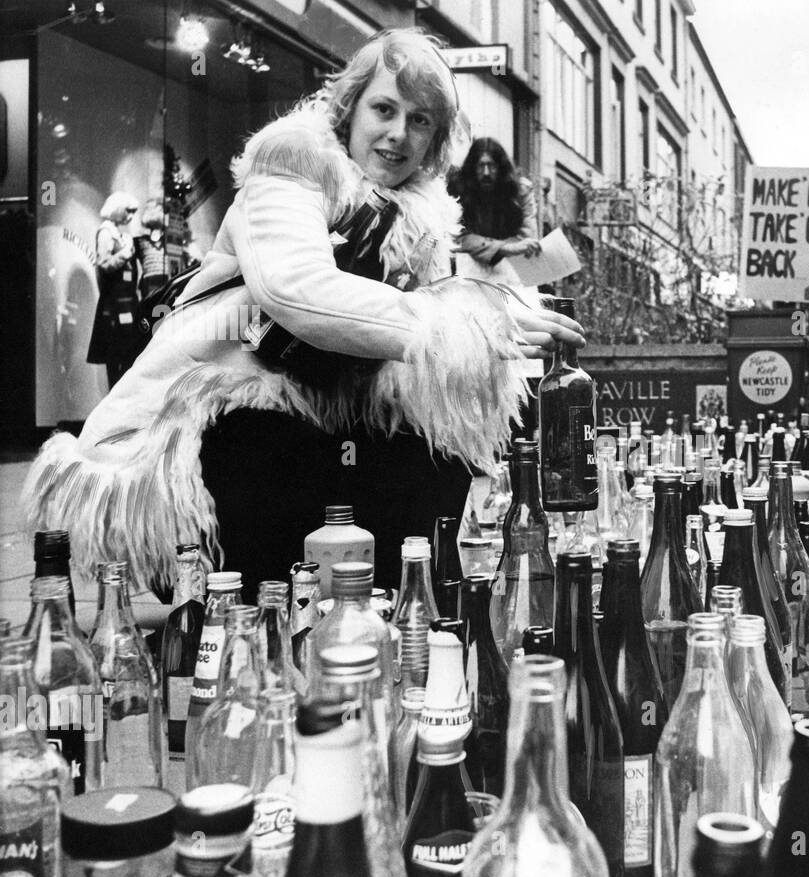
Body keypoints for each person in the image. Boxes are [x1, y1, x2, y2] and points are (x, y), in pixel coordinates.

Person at [25, 29, 582, 599]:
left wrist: (494, 325)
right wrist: (462, 327)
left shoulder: (420, 214)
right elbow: (296, 291)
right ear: (351, 105)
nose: (398, 134)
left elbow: (414, 322)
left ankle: (400, 593)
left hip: (320, 407)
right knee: (263, 572)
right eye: (384, 109)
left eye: (421, 121)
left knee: (430, 459)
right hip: (221, 402)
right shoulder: (294, 160)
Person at [450, 137, 541, 297]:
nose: (486, 173)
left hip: (512, 280)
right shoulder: (458, 188)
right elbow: (455, 235)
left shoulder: (521, 191)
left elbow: (526, 240)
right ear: (473, 167)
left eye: (491, 166)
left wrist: (486, 247)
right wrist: (503, 248)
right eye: (481, 166)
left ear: (501, 167)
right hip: (468, 278)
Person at [85, 191, 141, 388]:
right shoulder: (106, 233)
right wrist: (124, 255)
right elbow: (104, 263)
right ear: (117, 209)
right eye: (128, 211)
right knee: (114, 355)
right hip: (114, 304)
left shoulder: (120, 235)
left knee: (128, 354)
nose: (131, 216)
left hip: (127, 301)